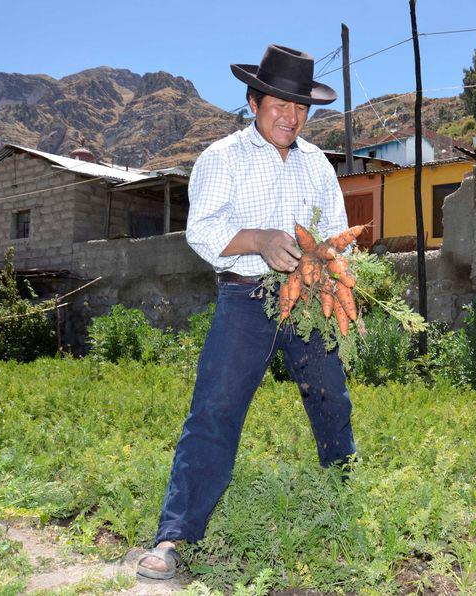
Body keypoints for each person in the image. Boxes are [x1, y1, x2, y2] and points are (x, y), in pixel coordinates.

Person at [136, 44, 356, 580]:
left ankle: (346, 500)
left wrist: (333, 269)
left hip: (309, 301)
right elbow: (204, 232)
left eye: (302, 107)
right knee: (215, 410)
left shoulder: (318, 164)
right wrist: (258, 238)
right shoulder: (221, 158)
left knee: (332, 398)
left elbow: (338, 233)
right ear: (254, 100)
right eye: (280, 104)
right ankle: (175, 537)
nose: (292, 116)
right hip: (246, 297)